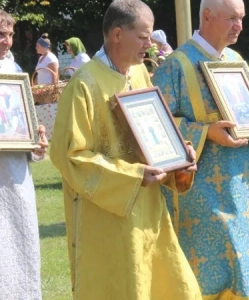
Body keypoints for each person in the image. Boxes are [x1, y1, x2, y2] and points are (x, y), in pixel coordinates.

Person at [49, 1, 202, 299]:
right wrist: (133, 175)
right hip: (106, 215)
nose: (150, 43)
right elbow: (71, 156)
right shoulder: (84, 84)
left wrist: (178, 157)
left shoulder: (140, 73)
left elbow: (154, 134)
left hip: (148, 208)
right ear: (117, 35)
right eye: (143, 37)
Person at [152, 0, 249, 298]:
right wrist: (206, 132)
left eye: (242, 18)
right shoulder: (176, 65)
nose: (239, 25)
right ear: (207, 17)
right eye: (232, 18)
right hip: (202, 191)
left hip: (244, 184)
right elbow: (155, 126)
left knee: (246, 262)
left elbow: (247, 112)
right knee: (214, 269)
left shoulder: (235, 59)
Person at [0, 9, 48, 300]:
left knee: (20, 241)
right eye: (0, 35)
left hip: (16, 176)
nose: (6, 41)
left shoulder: (15, 70)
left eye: (9, 35)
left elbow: (22, 120)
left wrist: (35, 141)